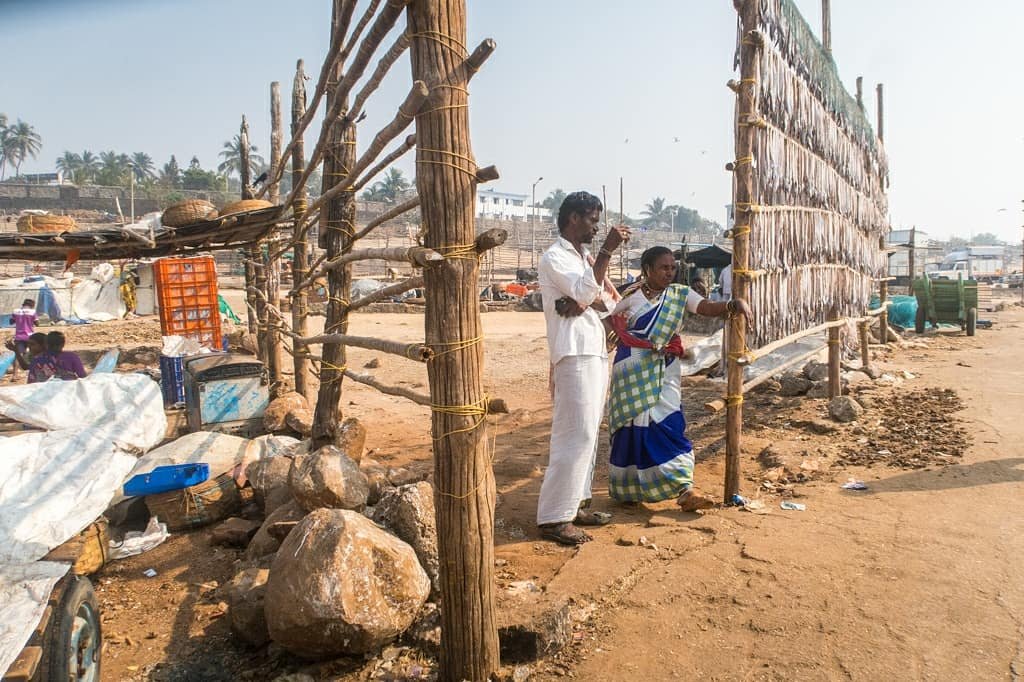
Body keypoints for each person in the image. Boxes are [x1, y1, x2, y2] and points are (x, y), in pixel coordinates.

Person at [606, 246, 753, 510]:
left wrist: (733, 305)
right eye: (663, 267)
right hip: (630, 371)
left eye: (672, 267)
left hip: (666, 369)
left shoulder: (680, 294)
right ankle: (629, 488)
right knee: (630, 428)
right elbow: (609, 325)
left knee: (670, 424)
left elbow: (707, 307)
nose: (669, 272)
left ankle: (685, 488)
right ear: (647, 270)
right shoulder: (631, 297)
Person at [536, 190, 630, 546]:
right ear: (573, 218)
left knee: (589, 432)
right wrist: (605, 253)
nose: (596, 227)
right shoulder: (554, 258)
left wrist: (583, 302)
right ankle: (554, 517)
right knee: (573, 433)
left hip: (592, 350)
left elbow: (602, 301)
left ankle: (576, 504)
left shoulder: (583, 257)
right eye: (592, 220)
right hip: (573, 352)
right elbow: (584, 292)